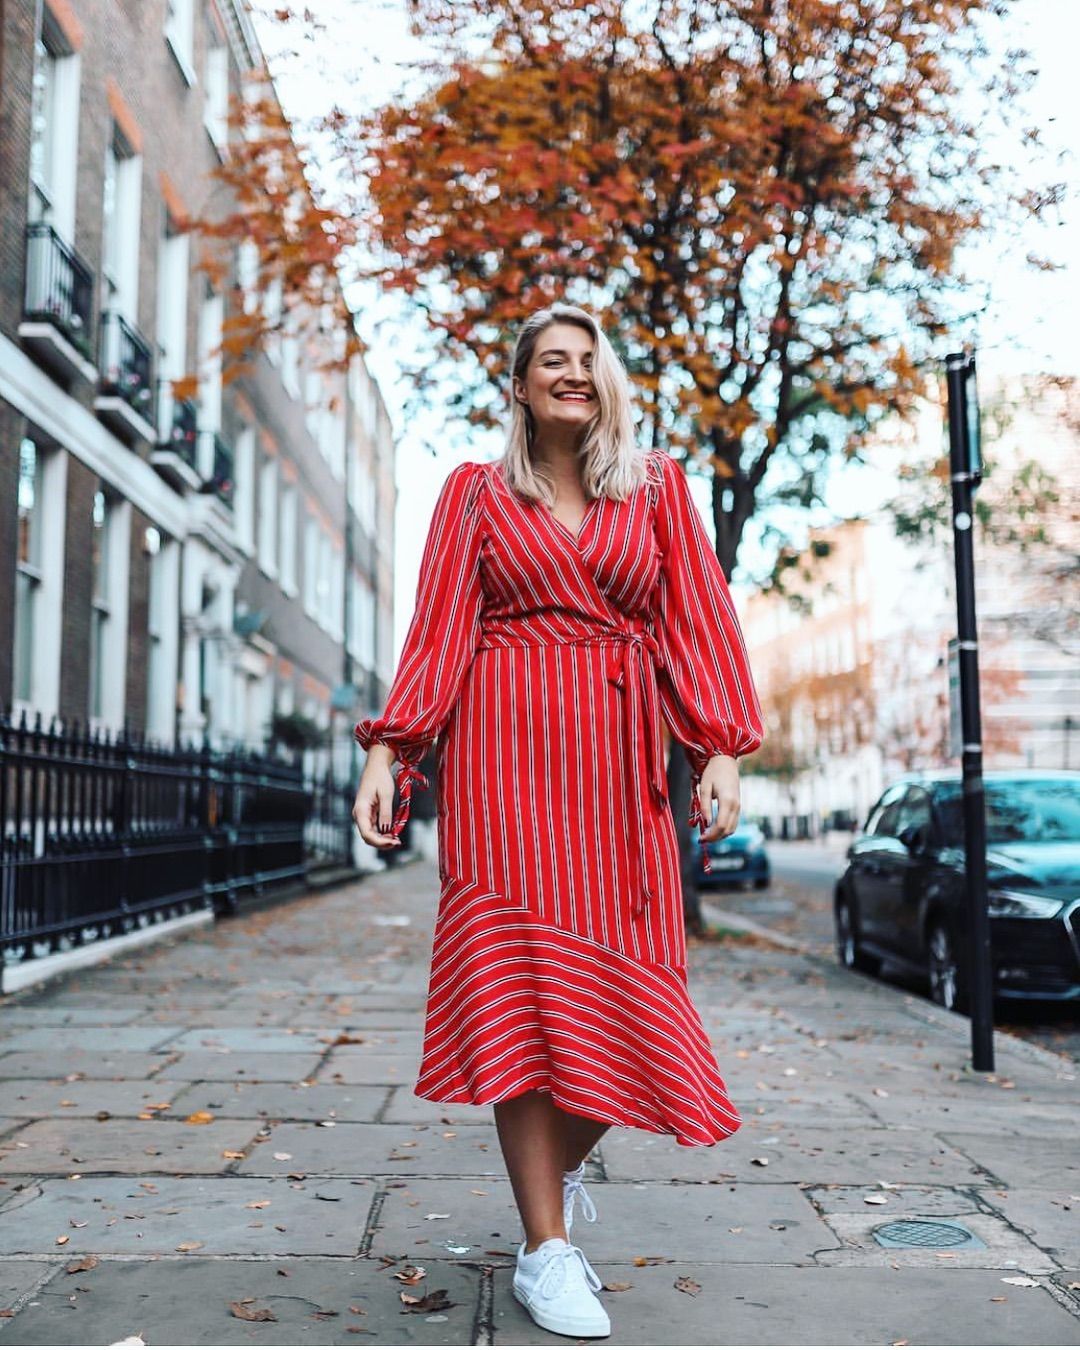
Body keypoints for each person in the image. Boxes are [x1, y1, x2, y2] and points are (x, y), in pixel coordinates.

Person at [352, 302, 764, 1339]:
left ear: (606, 380)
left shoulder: (660, 489)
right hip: (501, 775)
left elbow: (697, 616)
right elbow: (440, 627)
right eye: (551, 361)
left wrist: (717, 744)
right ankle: (547, 1250)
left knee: (636, 1003)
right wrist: (390, 746)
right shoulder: (474, 494)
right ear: (522, 387)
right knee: (520, 1002)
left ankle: (555, 1184)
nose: (572, 374)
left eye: (587, 360)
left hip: (620, 777)